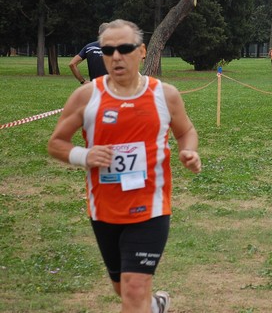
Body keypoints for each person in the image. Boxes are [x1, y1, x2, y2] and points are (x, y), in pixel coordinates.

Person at [48, 19, 202, 313]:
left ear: (142, 51)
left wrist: (189, 152)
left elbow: (185, 132)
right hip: (105, 209)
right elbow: (56, 143)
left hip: (150, 207)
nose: (116, 56)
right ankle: (155, 306)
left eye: (124, 48)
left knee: (133, 291)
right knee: (125, 290)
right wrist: (85, 156)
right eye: (108, 50)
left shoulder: (164, 94)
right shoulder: (86, 96)